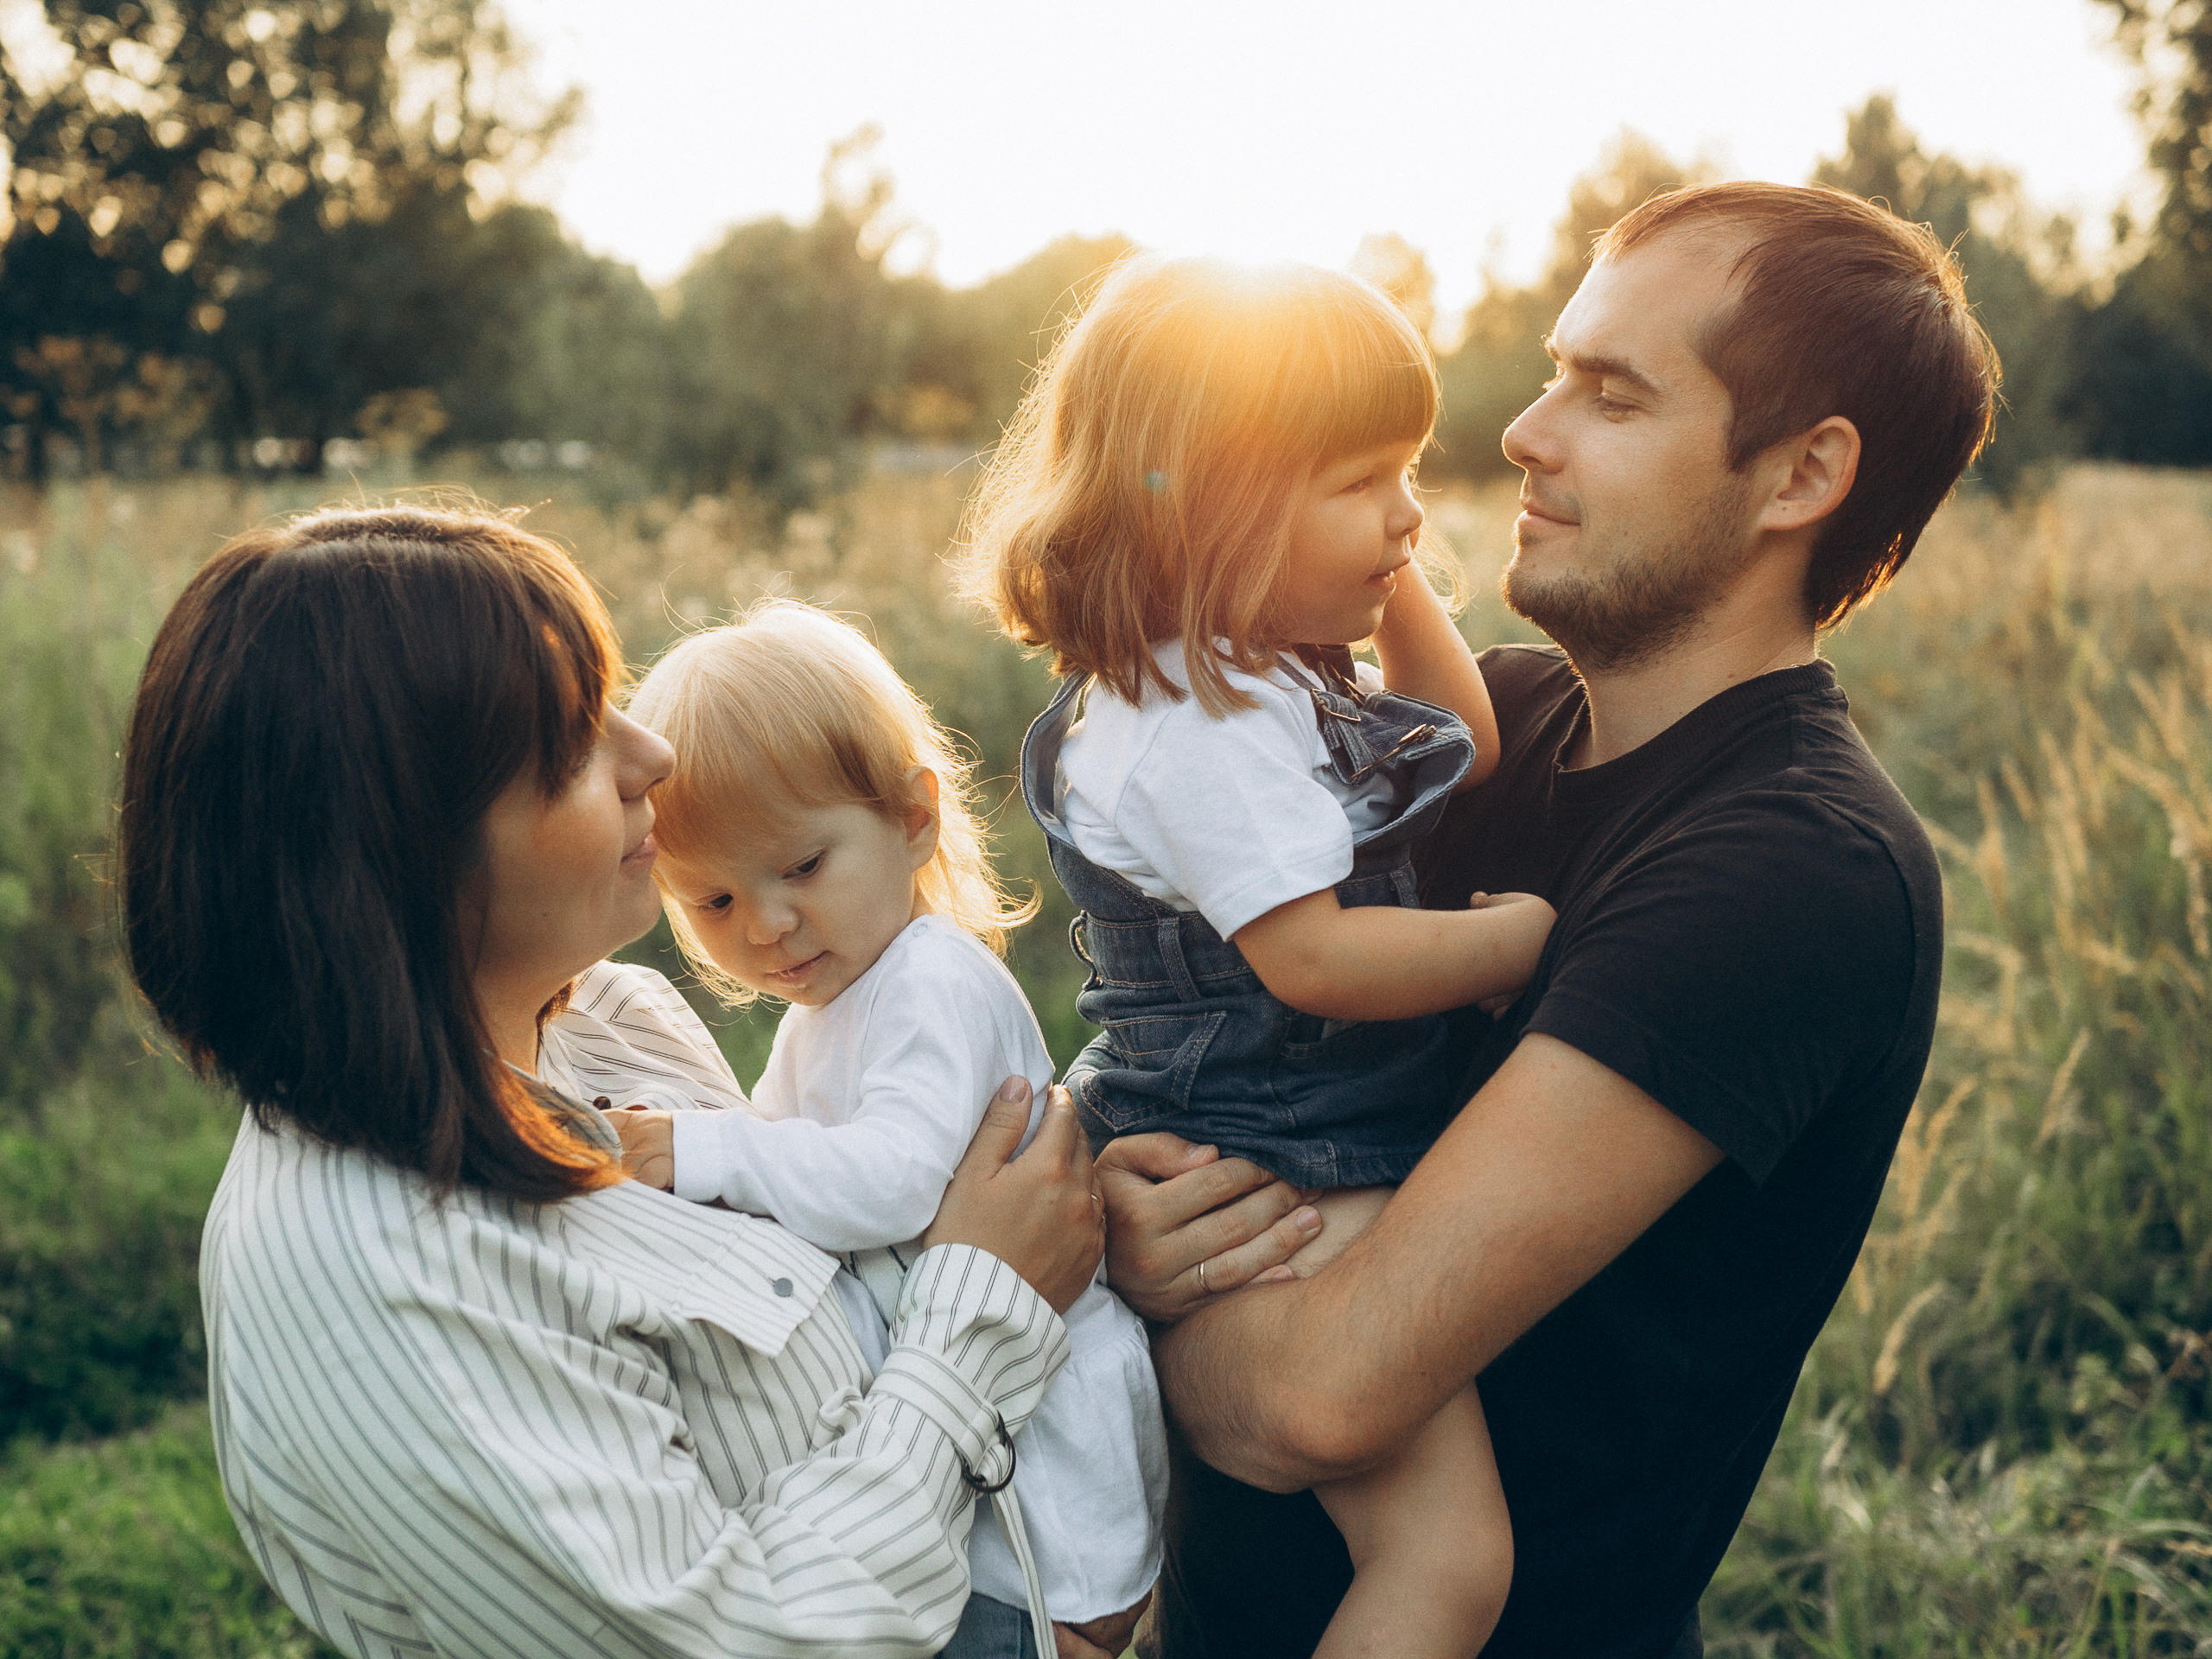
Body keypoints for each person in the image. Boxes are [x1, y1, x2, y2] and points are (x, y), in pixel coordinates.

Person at [1094, 181, 2001, 1658]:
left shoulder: (1792, 871)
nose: (1524, 431)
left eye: (1610, 394)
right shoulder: (1484, 726)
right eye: (1553, 370)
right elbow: (1199, 1014)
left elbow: (1328, 1391)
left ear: (1800, 478)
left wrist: (1119, 1284)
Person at [117, 505, 1106, 1659]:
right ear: (400, 854)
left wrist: (1088, 1221)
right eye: (574, 743)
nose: (653, 758)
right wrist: (993, 1304)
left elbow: (850, 1277)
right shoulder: (384, 1274)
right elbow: (739, 1639)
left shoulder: (615, 1024)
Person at [963, 253, 1558, 1657]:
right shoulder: (1197, 727)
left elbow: (1458, 736)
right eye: (1364, 481)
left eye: (1409, 475)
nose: (1408, 512)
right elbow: (1317, 964)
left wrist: (1391, 570)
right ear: (1216, 503)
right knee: (1449, 1558)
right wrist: (1507, 943)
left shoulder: (1255, 662)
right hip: (1283, 1144)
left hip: (1280, 1117)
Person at [560, 599, 1166, 1659]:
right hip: (981, 1426)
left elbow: (885, 1183)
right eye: (712, 901)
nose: (768, 925)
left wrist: (692, 1150)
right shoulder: (828, 1009)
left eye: (801, 868)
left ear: (914, 817)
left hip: (1055, 1433)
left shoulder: (929, 981)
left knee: (1062, 1629)